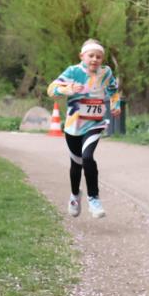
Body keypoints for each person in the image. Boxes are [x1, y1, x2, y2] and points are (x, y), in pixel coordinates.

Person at [47, 39, 120, 219]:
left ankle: (93, 198)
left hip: (95, 123)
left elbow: (113, 89)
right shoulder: (73, 71)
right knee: (76, 164)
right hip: (73, 125)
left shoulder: (106, 72)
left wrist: (115, 104)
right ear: (82, 56)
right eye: (91, 56)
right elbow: (51, 89)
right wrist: (69, 89)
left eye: (99, 56)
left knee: (88, 157)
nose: (95, 59)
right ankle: (74, 195)